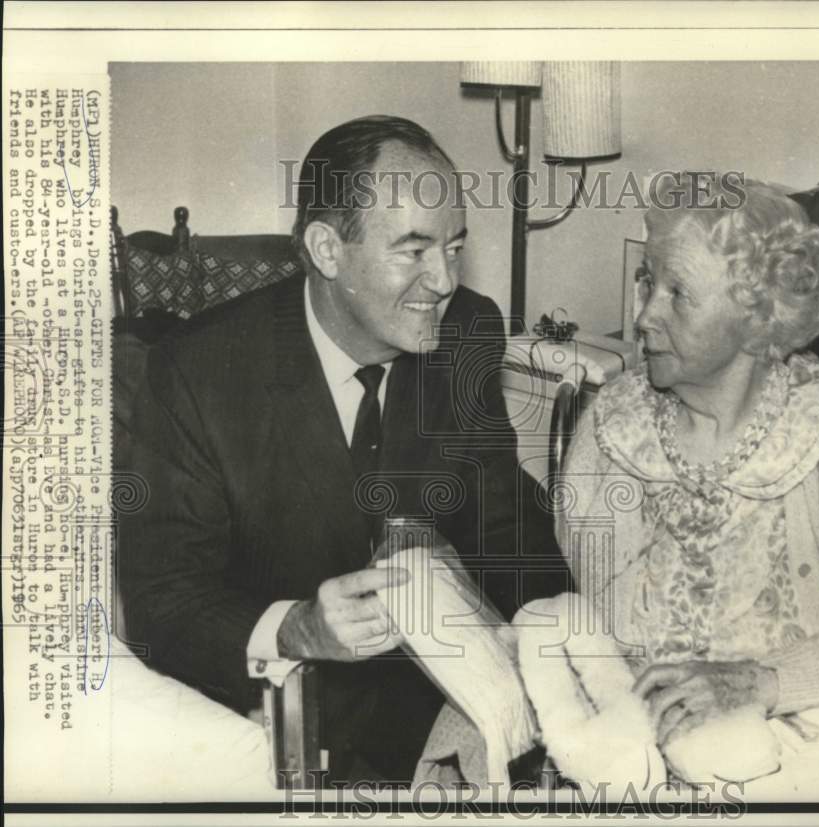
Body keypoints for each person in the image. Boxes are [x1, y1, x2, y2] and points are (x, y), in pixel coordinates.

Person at [117, 115, 569, 784]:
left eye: (454, 246)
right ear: (327, 250)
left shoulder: (469, 329)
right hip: (278, 729)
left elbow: (504, 524)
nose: (443, 280)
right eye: (414, 250)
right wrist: (299, 627)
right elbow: (164, 599)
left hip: (440, 719)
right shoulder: (198, 372)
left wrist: (562, 642)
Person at [558, 175, 819, 754]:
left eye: (677, 292)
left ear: (755, 312)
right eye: (648, 283)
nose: (643, 316)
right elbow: (599, 615)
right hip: (636, 735)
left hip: (808, 735)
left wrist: (761, 683)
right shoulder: (613, 423)